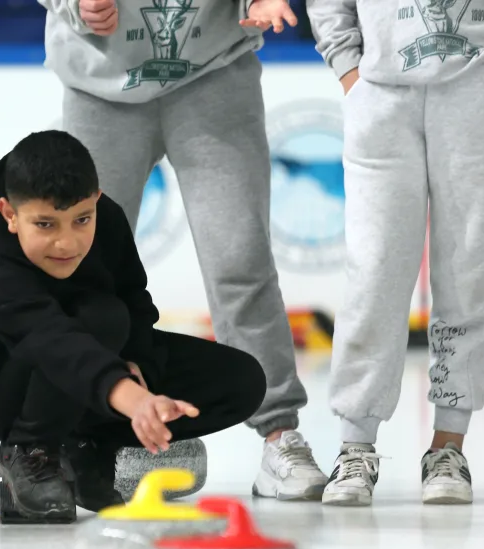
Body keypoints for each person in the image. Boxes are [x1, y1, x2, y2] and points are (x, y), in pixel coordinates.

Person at [38, 0, 332, 502]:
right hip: (100, 82)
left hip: (214, 74)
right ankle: (54, 442)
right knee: (80, 265)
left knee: (240, 259)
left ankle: (279, 434)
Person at [0, 130, 267, 519]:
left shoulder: (107, 216)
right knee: (100, 319)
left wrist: (138, 367)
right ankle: (30, 450)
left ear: (96, 198)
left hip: (87, 359)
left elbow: (134, 301)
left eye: (81, 219)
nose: (67, 243)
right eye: (46, 225)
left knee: (241, 379)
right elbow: (50, 339)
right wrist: (134, 400)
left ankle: (86, 449)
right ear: (10, 214)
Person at [308, 0, 484, 506]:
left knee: (470, 268)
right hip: (379, 95)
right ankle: (355, 445)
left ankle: (449, 445)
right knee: (373, 271)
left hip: (480, 93)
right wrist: (349, 67)